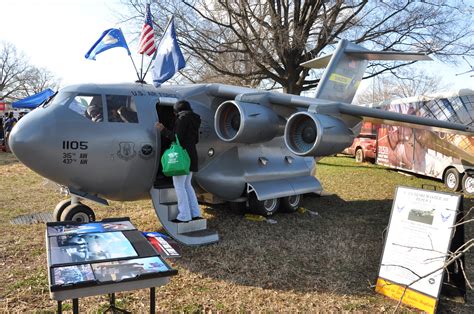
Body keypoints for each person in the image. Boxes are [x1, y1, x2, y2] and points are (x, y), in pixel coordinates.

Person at [156, 100, 202, 223]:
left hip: (181, 157)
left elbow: (177, 137)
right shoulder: (195, 119)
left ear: (177, 110)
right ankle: (195, 213)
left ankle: (184, 216)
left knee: (179, 186)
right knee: (187, 185)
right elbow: (195, 140)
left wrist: (163, 130)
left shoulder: (182, 119)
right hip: (191, 155)